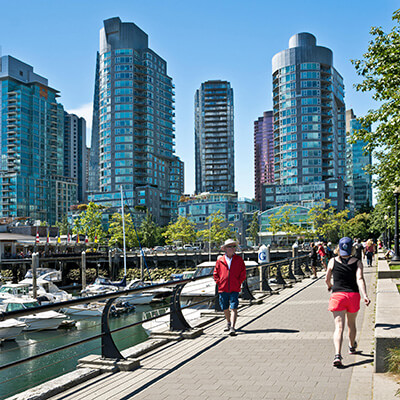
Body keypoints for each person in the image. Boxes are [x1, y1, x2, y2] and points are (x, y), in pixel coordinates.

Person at [325, 237, 371, 367]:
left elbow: (327, 278)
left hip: (337, 296)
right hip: (353, 296)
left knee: (339, 327)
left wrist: (330, 285)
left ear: (338, 248)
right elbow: (360, 279)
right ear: (352, 248)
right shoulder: (357, 262)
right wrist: (365, 295)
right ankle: (351, 346)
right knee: (351, 324)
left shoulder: (332, 261)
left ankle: (337, 355)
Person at [213, 239, 246, 336]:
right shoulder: (220, 261)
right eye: (229, 246)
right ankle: (228, 322)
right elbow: (216, 273)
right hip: (223, 288)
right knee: (225, 307)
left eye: (233, 246)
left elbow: (243, 273)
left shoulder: (239, 260)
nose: (232, 248)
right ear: (225, 249)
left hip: (234, 288)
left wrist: (238, 282)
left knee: (234, 307)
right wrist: (219, 282)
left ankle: (232, 327)